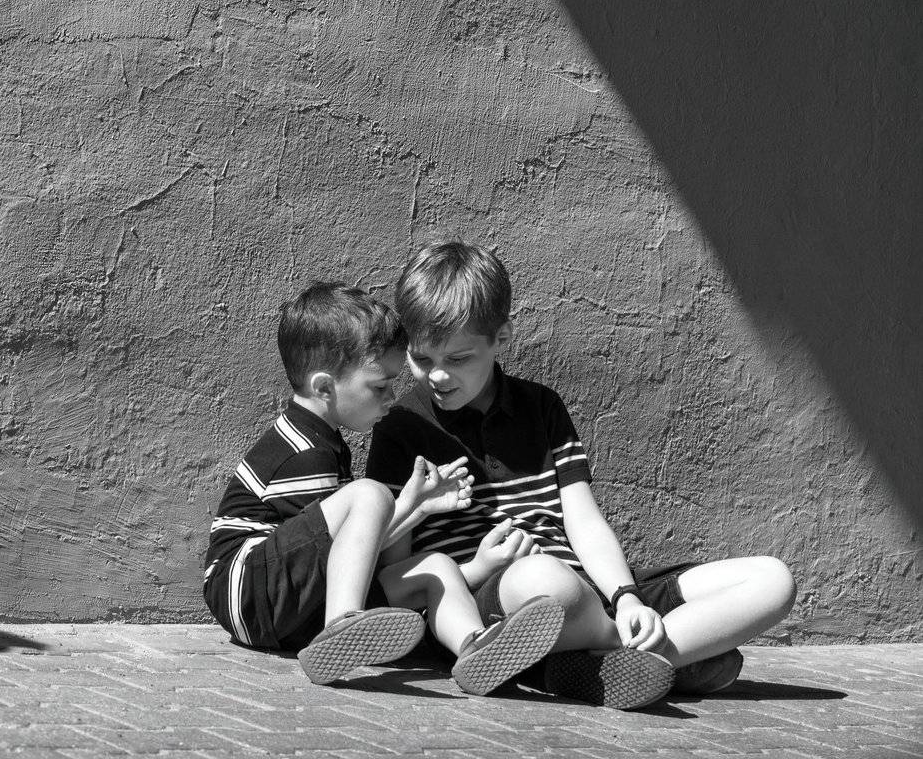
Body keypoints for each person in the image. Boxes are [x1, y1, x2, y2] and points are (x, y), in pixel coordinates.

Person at [365, 242, 797, 710]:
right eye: (422, 359)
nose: (437, 376)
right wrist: (461, 549)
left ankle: (598, 661)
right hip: (500, 600)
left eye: (458, 359)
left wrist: (626, 597)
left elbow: (584, 523)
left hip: (592, 589)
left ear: (501, 338)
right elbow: (398, 572)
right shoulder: (400, 427)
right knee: (543, 580)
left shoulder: (541, 407)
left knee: (772, 580)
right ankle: (653, 653)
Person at [203, 281, 565, 692]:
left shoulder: (326, 443)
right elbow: (334, 551)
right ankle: (342, 626)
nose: (392, 396)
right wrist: (406, 505)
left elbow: (346, 552)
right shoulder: (302, 451)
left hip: (292, 608)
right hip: (249, 590)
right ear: (323, 388)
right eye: (379, 386)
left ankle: (474, 648)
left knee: (435, 566)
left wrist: (417, 507)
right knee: (371, 493)